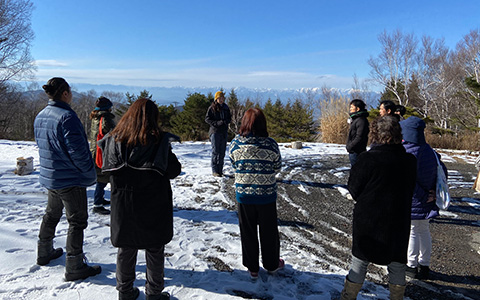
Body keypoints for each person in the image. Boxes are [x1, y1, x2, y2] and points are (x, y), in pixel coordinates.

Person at [99, 98, 181, 300]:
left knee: (126, 248)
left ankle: (125, 291)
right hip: (153, 203)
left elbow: (104, 171)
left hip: (123, 203)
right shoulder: (158, 141)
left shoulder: (113, 139)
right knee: (154, 249)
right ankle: (154, 292)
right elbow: (173, 170)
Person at [341, 116, 417, 300]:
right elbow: (411, 188)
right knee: (397, 263)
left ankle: (348, 297)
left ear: (374, 134)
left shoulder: (367, 159)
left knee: (360, 260)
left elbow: (354, 188)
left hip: (368, 218)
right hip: (398, 218)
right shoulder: (409, 160)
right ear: (399, 134)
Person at [34, 77, 101, 281]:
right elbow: (78, 152)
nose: (72, 94)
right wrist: (89, 172)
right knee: (77, 221)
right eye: (70, 91)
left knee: (51, 214)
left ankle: (44, 251)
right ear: (64, 93)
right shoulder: (67, 117)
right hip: (70, 179)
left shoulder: (41, 115)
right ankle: (74, 264)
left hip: (51, 176)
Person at [229, 108, 284, 280]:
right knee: (269, 231)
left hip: (244, 194)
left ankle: (252, 267)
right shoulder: (271, 144)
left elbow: (233, 164)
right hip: (266, 194)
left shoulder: (236, 144)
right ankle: (272, 264)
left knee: (248, 231)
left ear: (244, 123)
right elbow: (277, 167)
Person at [400, 116, 447, 280]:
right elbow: (443, 173)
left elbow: (408, 179)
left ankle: (411, 266)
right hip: (428, 199)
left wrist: (423, 195)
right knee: (424, 230)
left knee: (412, 231)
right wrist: (433, 192)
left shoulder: (407, 151)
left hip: (415, 199)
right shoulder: (430, 151)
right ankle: (424, 265)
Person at [88, 96, 116, 215]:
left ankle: (100, 199)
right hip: (102, 152)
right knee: (102, 178)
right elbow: (111, 133)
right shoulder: (106, 118)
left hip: (95, 150)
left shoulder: (95, 117)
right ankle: (97, 204)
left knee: (101, 177)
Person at [205, 91, 231, 177]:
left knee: (222, 152)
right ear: (216, 99)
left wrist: (226, 121)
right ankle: (215, 171)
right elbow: (207, 119)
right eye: (219, 98)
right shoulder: (212, 108)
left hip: (223, 132)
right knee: (215, 151)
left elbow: (229, 118)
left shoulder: (226, 107)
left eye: (222, 98)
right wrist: (216, 123)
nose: (221, 100)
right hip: (215, 132)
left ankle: (220, 170)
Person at [346, 99, 369, 166]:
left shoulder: (361, 120)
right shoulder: (356, 119)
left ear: (358, 109)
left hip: (357, 151)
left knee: (357, 170)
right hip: (354, 151)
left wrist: (350, 146)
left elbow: (359, 136)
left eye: (352, 107)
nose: (350, 109)